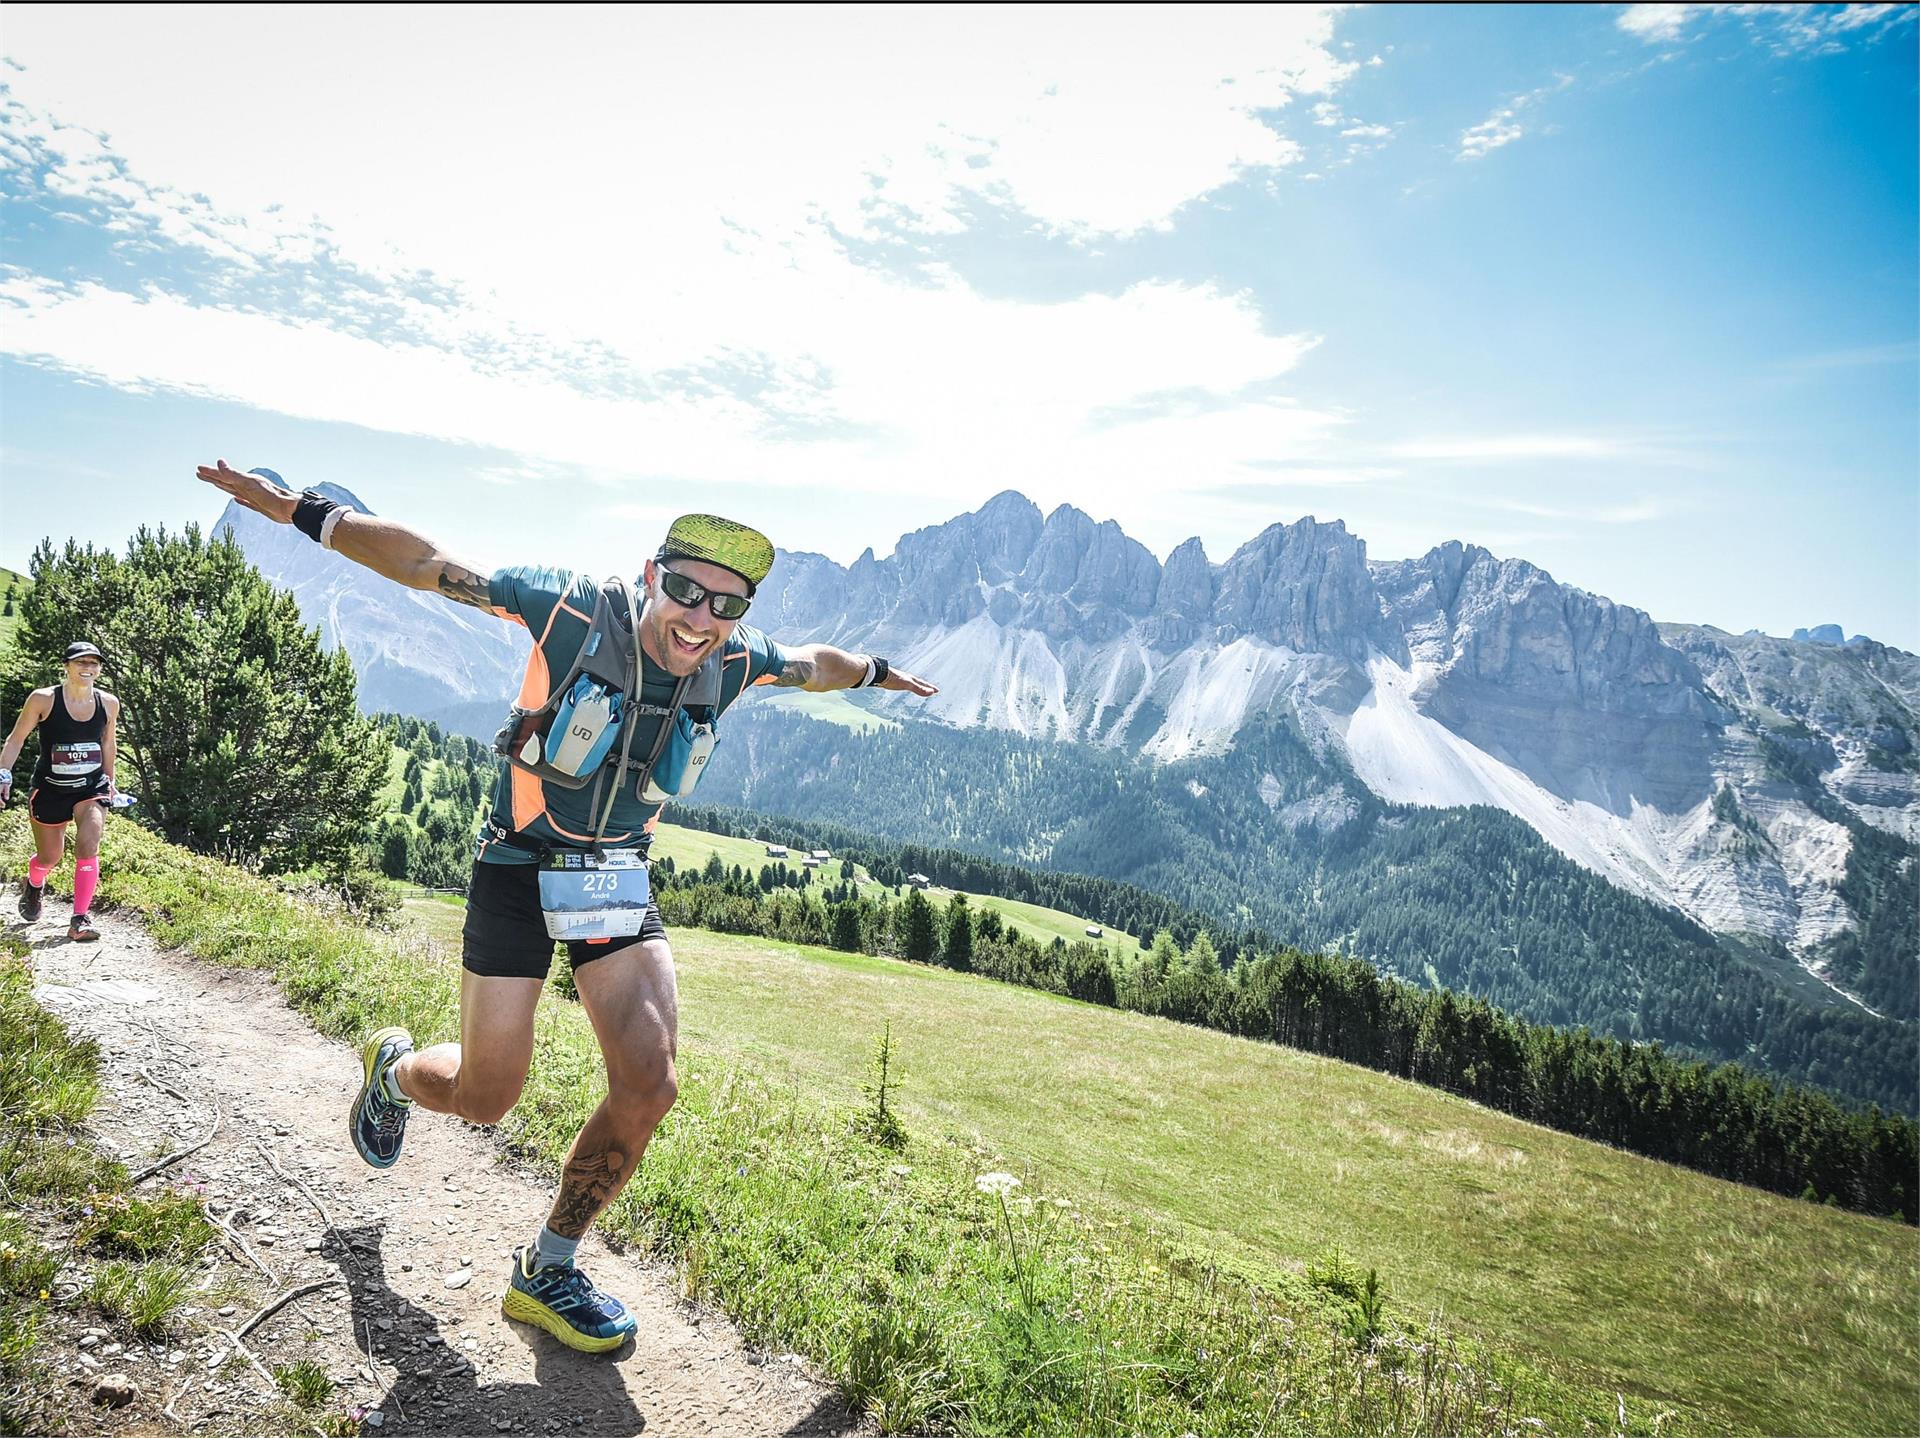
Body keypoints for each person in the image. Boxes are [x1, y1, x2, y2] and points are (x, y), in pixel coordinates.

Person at [194, 459, 937, 1353]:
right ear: (653, 575)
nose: (701, 618)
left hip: (615, 874)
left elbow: (818, 663)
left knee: (651, 1082)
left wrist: (881, 672)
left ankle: (549, 1269)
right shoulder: (574, 608)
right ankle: (392, 1073)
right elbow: (429, 563)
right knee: (484, 1096)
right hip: (518, 862)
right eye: (686, 591)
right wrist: (303, 512)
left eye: (726, 604)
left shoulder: (738, 661)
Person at [1, 641, 120, 943]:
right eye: (81, 662)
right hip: (50, 789)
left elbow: (108, 743)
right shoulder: (43, 699)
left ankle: (79, 919)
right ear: (66, 665)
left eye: (94, 663)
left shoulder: (108, 703)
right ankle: (34, 882)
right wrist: (3, 774)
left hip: (90, 787)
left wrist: (109, 781)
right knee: (49, 857)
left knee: (88, 845)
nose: (88, 669)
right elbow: (16, 739)